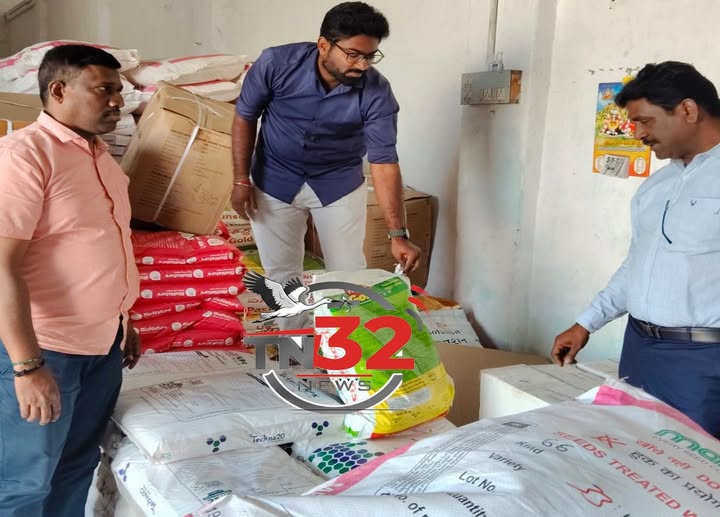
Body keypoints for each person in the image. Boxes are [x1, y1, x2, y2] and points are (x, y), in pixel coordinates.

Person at [0, 44, 141, 515]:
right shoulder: (24, 156)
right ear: (59, 91)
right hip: (47, 349)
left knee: (76, 466)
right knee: (24, 482)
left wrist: (125, 318)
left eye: (119, 91)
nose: (117, 101)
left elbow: (103, 244)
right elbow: (3, 265)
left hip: (102, 348)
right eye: (104, 89)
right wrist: (26, 367)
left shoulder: (101, 158)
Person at [552, 61, 720, 438]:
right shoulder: (656, 187)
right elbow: (637, 264)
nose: (638, 133)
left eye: (645, 121)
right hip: (639, 350)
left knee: (697, 463)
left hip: (703, 362)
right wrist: (586, 323)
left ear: (688, 110)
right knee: (635, 450)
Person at [232, 1, 421, 288]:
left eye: (370, 56)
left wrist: (398, 234)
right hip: (274, 178)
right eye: (353, 55)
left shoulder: (377, 92)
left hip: (338, 184)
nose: (363, 65)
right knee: (281, 278)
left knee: (348, 276)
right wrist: (240, 180)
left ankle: (338, 319)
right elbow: (245, 117)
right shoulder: (276, 64)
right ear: (323, 46)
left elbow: (384, 162)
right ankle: (291, 320)